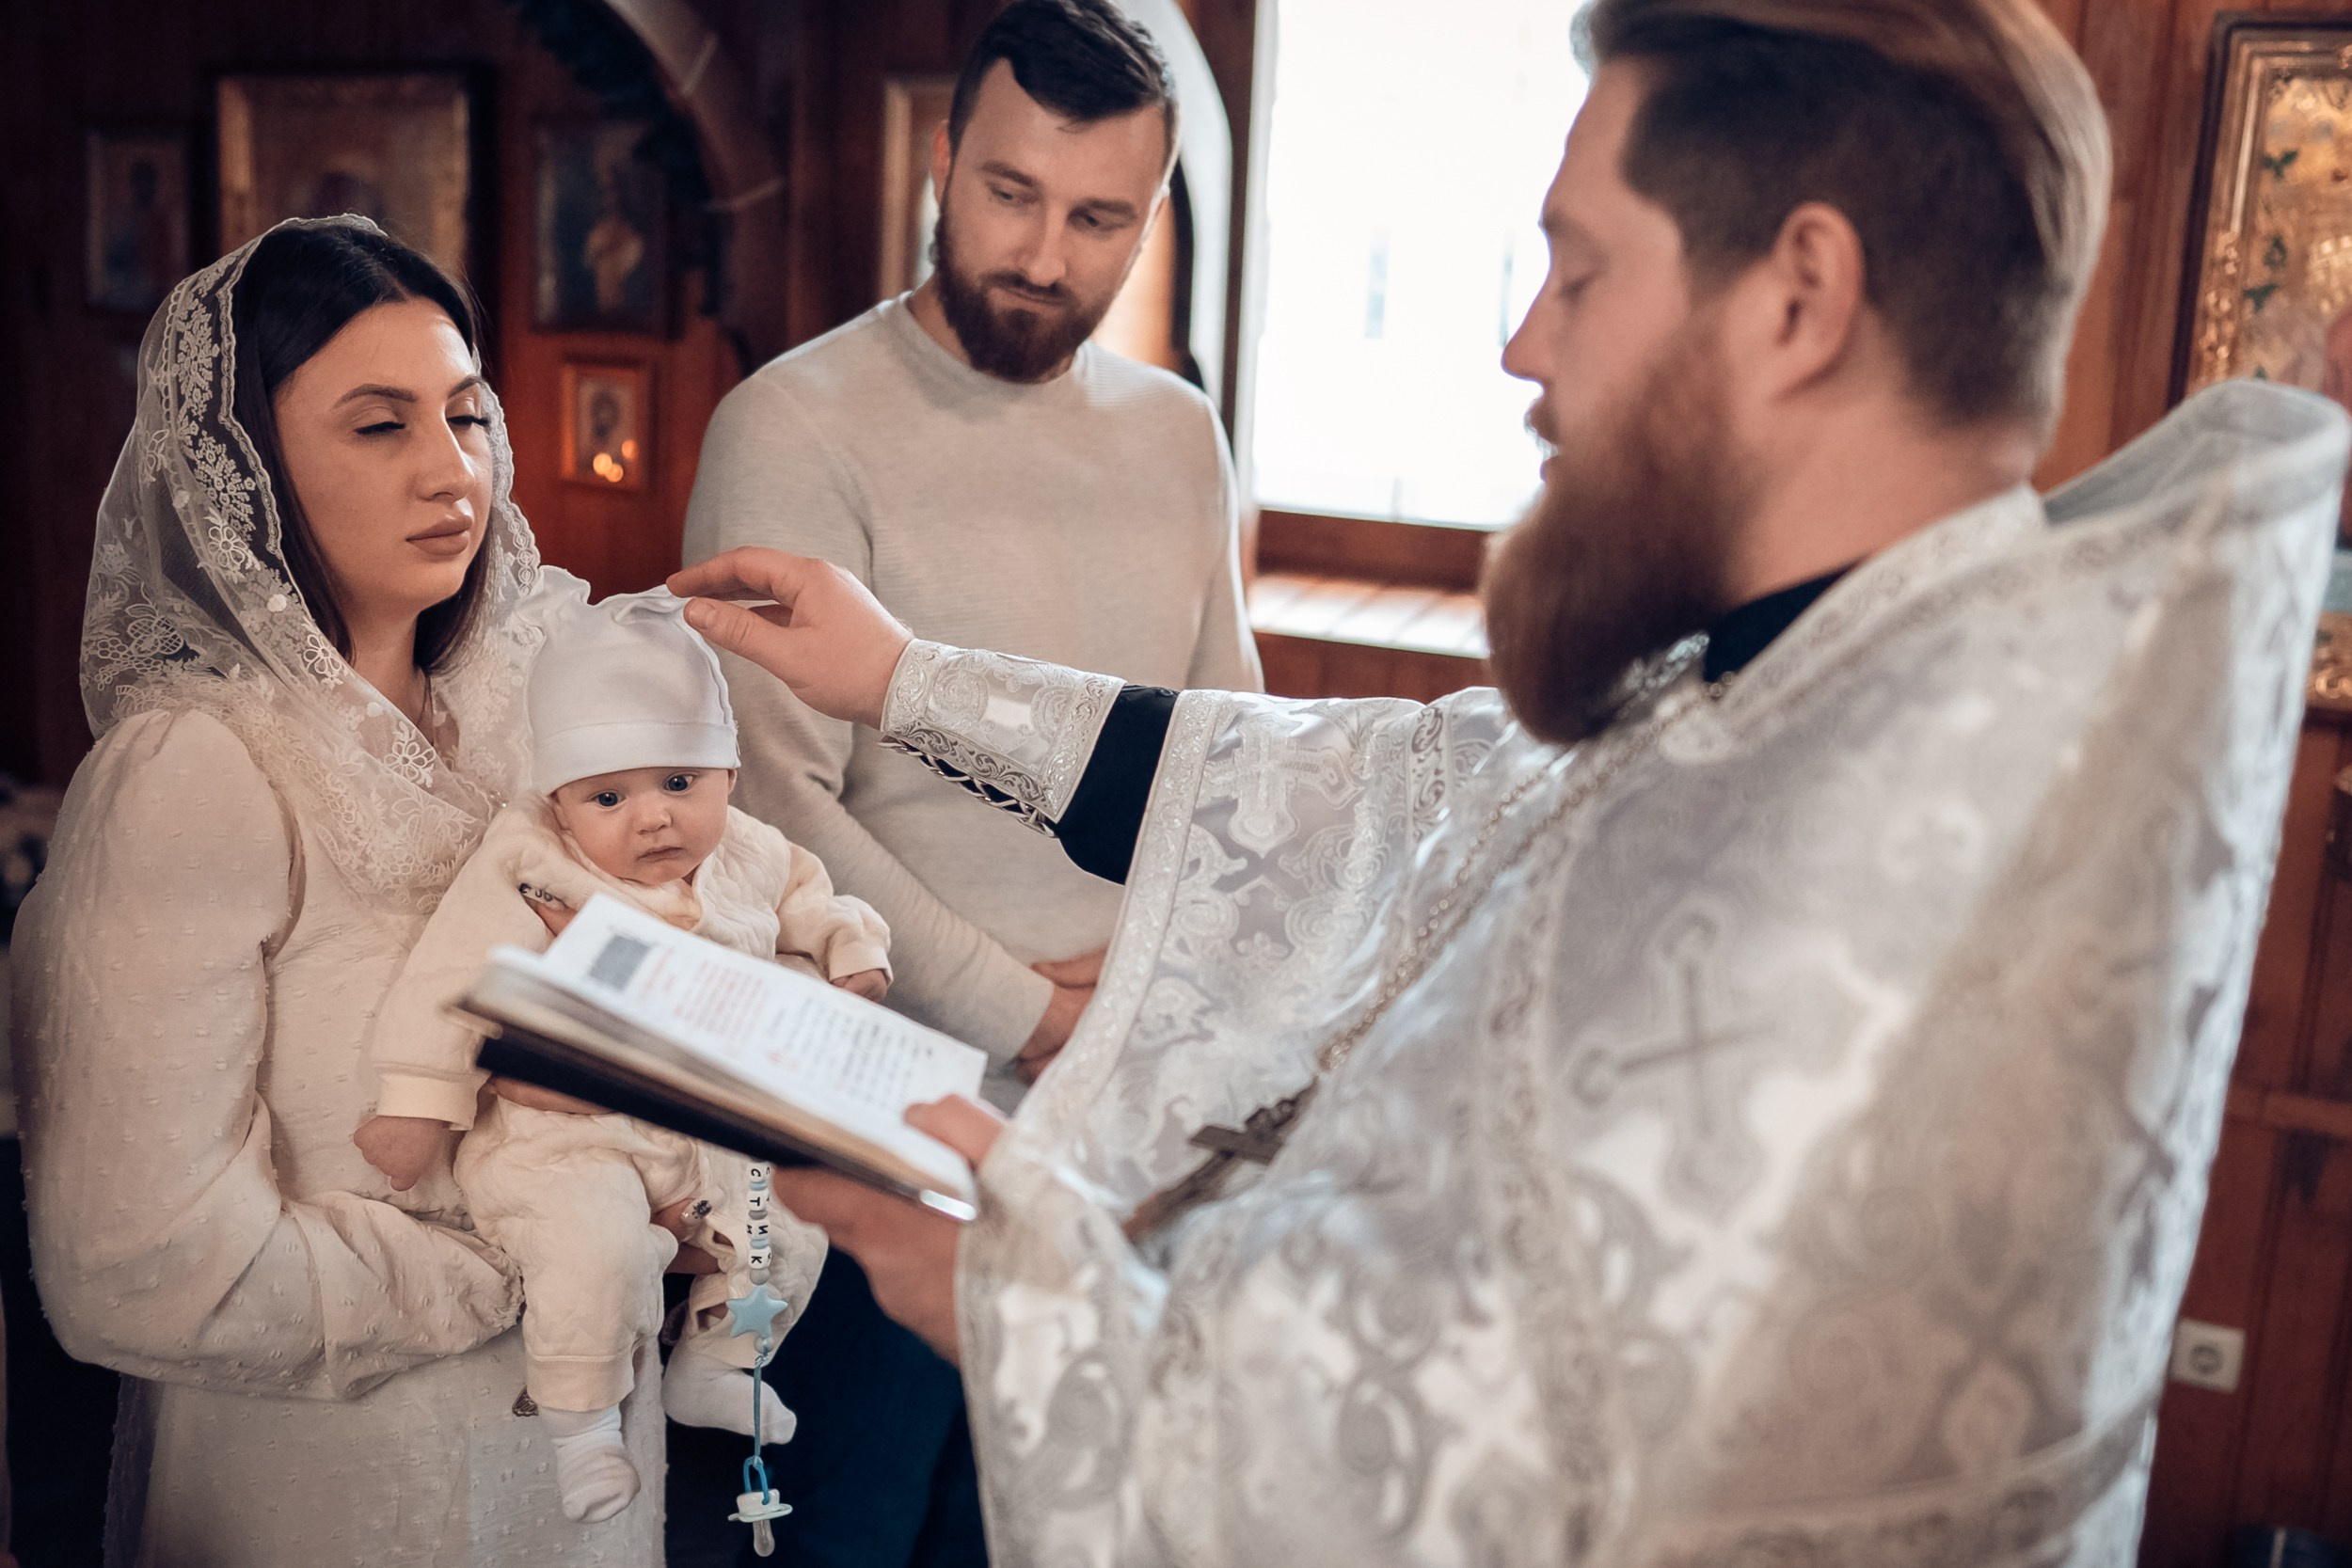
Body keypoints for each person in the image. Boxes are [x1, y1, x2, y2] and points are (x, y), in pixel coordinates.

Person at [670, 0, 2352, 1560]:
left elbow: (1451, 1466)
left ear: (1799, 298)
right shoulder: (1846, 687)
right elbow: (1400, 785)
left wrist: (1028, 1304)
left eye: (1580, 268)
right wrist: (912, 677)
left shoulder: (1867, 881)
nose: (1521, 345)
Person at [675, 2, 1256, 1560]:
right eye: (1009, 193)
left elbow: (1228, 762)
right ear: (940, 159)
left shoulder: (1181, 438)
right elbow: (777, 814)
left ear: (1148, 218)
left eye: (1097, 217)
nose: (1044, 255)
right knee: (839, 1533)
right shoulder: (792, 424)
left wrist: (1128, 1029)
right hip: (870, 1121)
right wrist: (1041, 1011)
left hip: (1112, 1135)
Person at [8, 216, 675, 1565]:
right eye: (379, 426)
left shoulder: (541, 717)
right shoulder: (195, 774)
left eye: (468, 415)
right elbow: (139, 1264)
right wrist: (519, 1268)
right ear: (243, 469)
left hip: (587, 1472)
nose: (452, 471)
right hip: (340, 1495)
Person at [353, 569, 891, 1523]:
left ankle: (720, 1359)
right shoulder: (527, 857)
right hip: (570, 1136)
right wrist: (417, 1097)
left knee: (790, 1214)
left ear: (728, 774)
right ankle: (582, 1425)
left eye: (681, 782)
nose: (653, 815)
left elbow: (818, 904)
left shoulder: (755, 852)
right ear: (560, 802)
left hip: (709, 1126)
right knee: (590, 1244)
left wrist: (852, 954)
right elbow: (450, 978)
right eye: (609, 795)